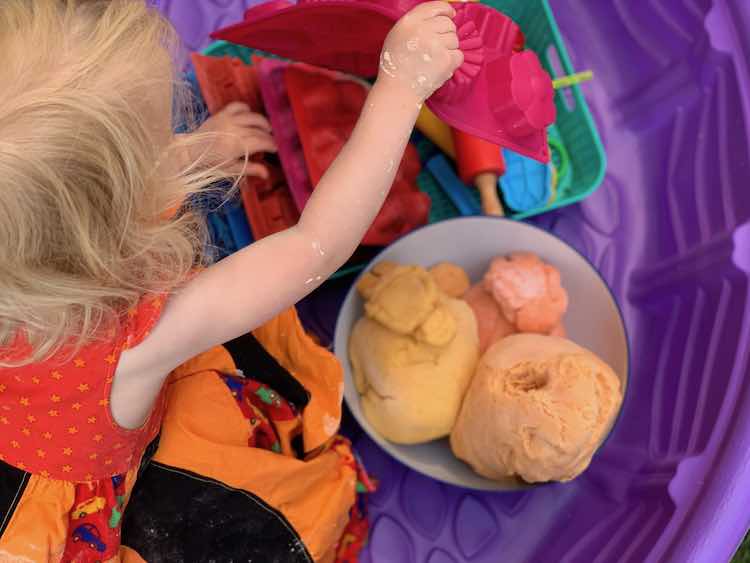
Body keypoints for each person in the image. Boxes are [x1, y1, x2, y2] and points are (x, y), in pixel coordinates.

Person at [0, 0, 462, 561]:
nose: (174, 139)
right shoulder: (140, 340)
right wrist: (400, 87)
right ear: (118, 232)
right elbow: (314, 243)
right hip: (93, 471)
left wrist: (197, 150)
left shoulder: (28, 253)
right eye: (158, 141)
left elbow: (63, 191)